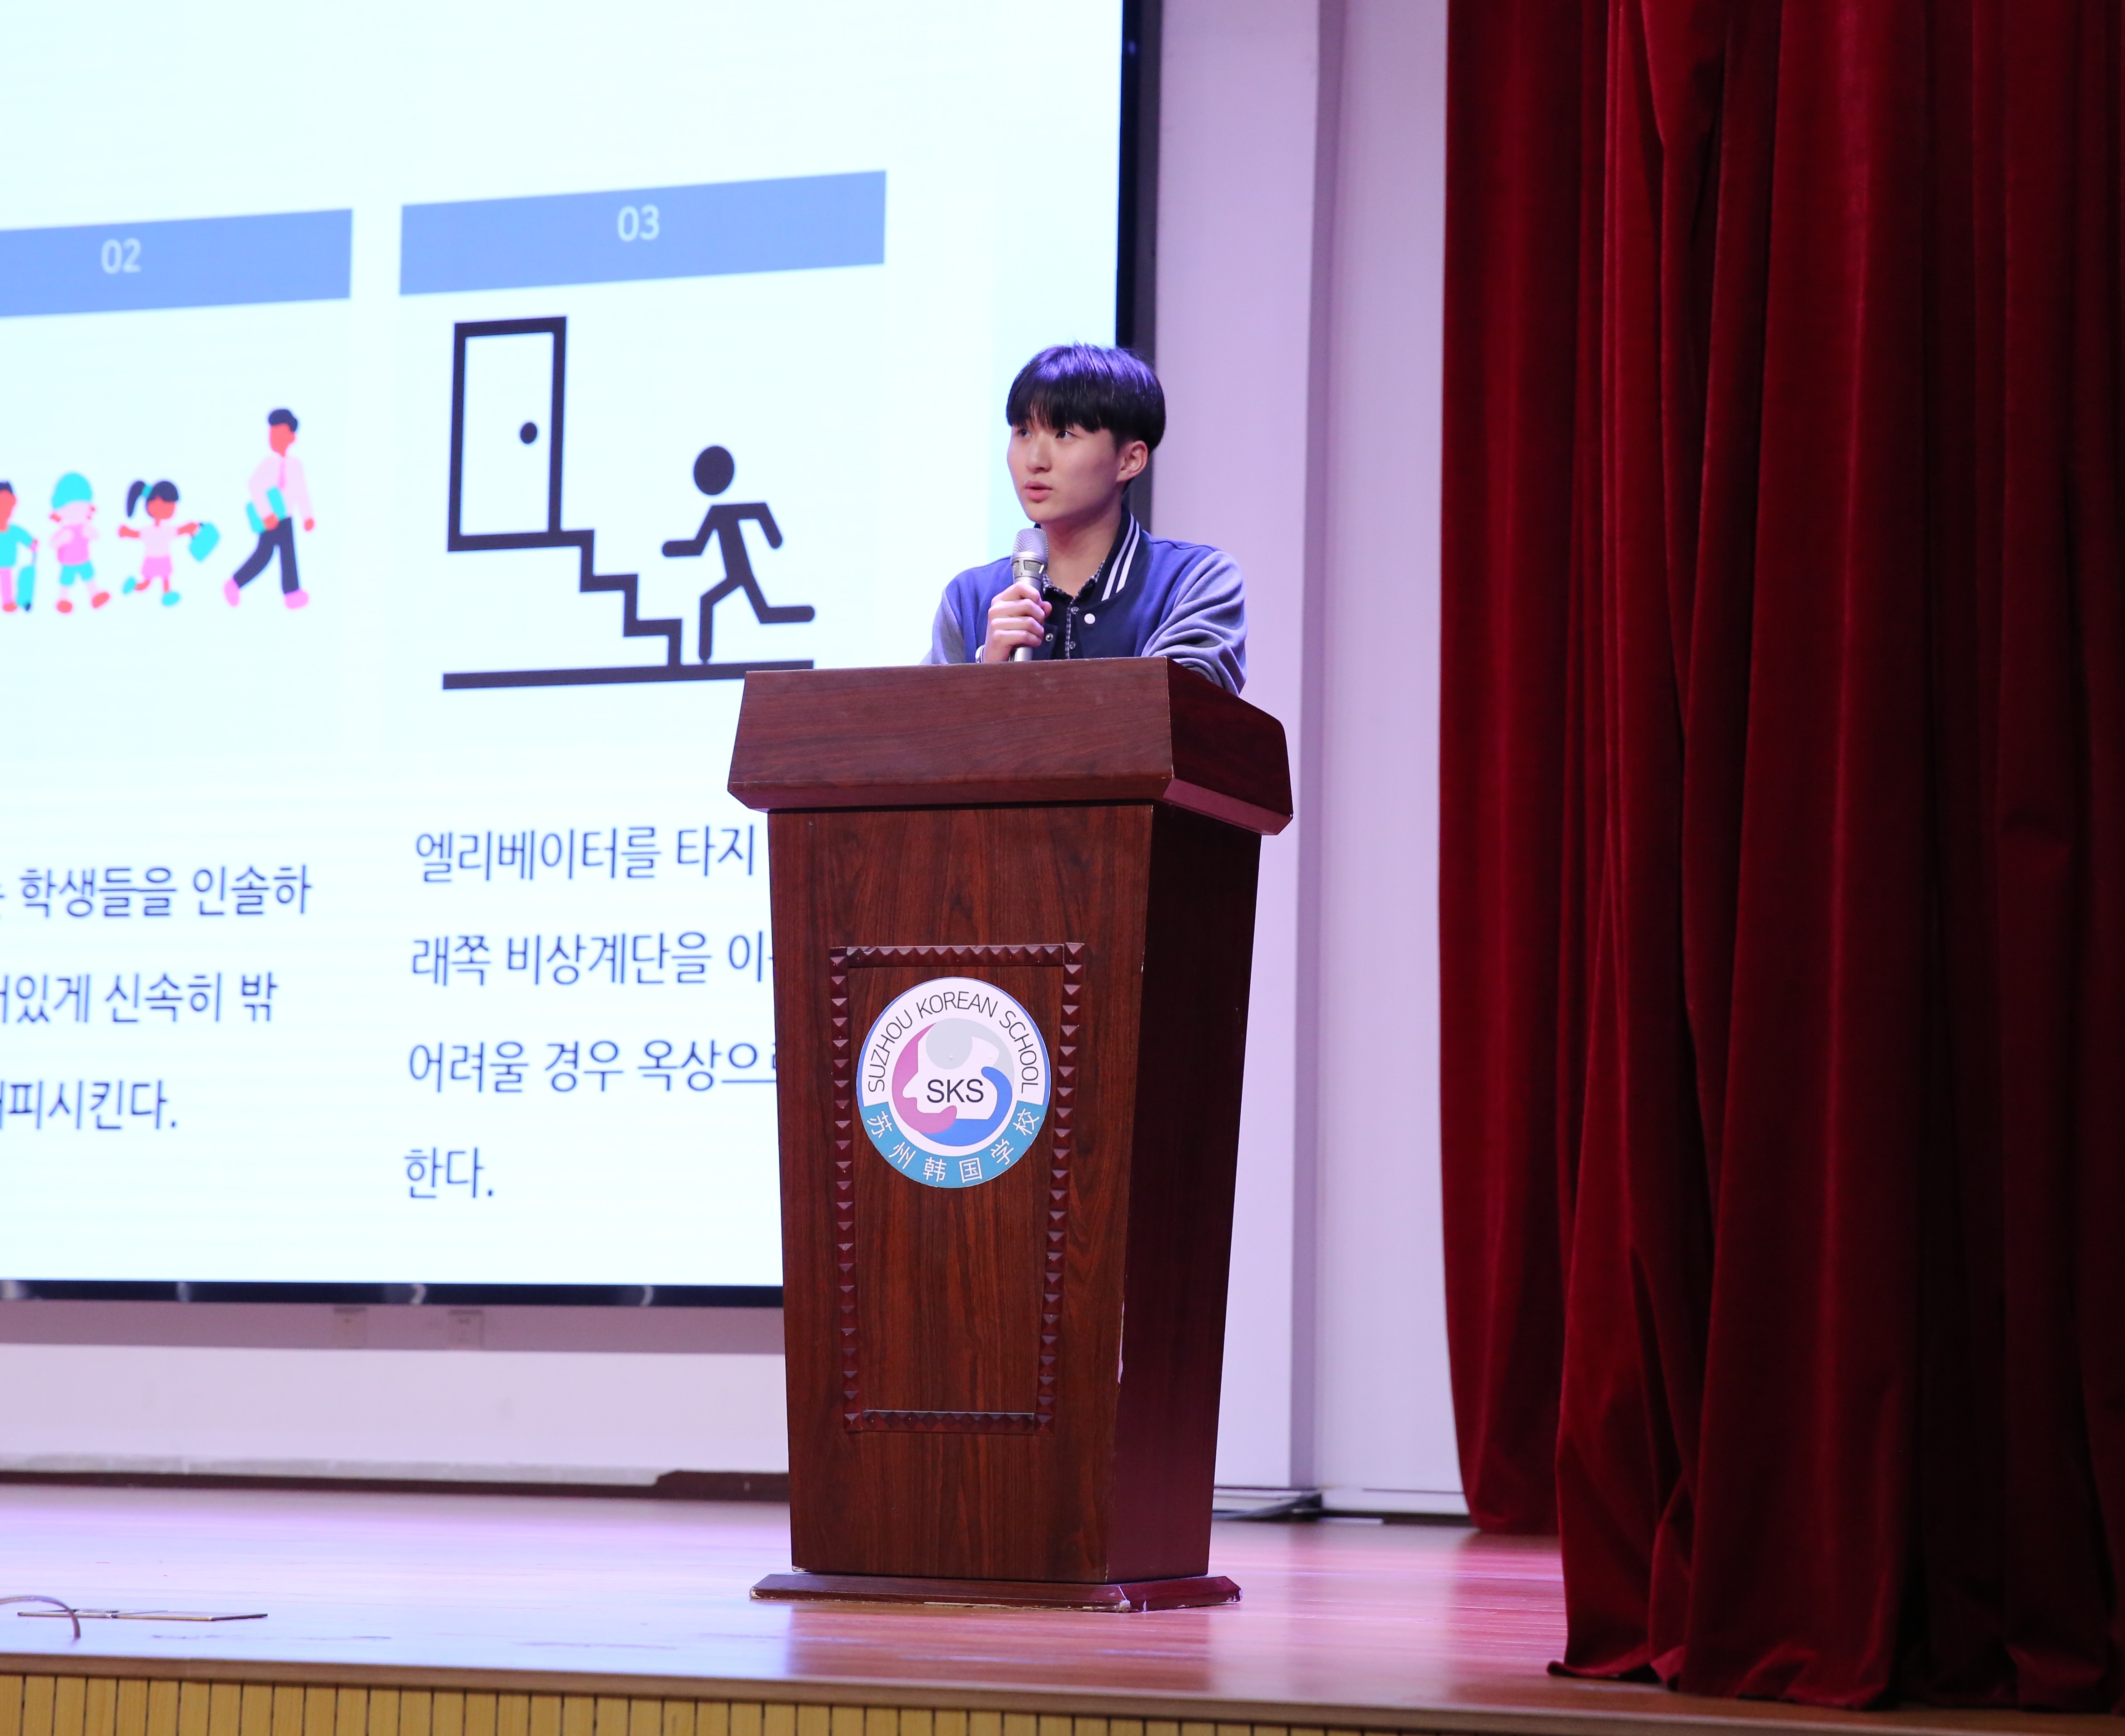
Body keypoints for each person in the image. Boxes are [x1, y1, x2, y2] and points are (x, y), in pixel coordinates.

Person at [924, 343, 1245, 693]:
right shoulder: (969, 598)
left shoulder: (1192, 582)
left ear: (1130, 461)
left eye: (1064, 434)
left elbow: (1180, 710)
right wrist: (986, 669)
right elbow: (926, 724)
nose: (1035, 460)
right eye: (1023, 432)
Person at [661, 444, 814, 663]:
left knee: (725, 604)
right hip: (737, 573)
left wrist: (773, 538)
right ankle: (704, 657)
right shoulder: (716, 514)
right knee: (758, 610)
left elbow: (760, 512)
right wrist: (673, 549)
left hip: (740, 572)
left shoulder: (724, 511)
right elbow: (698, 545)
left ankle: (704, 655)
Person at [225, 408, 314, 609]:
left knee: (288, 554)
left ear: (293, 437)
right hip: (271, 518)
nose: (274, 440)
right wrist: (266, 513)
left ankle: (292, 593)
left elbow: (302, 492)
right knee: (263, 555)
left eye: (280, 435)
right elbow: (255, 486)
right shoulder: (269, 464)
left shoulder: (295, 465)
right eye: (272, 435)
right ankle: (235, 584)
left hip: (287, 517)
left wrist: (307, 516)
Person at [120, 479, 200, 606]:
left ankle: (166, 595)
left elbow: (137, 534)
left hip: (161, 560)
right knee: (150, 582)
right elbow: (179, 531)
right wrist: (127, 532)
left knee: (164, 579)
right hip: (155, 560)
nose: (173, 509)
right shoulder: (156, 531)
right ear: (157, 502)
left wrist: (127, 532)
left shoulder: (160, 531)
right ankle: (135, 586)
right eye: (171, 504)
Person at [48, 472, 107, 613]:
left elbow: (96, 536)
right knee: (66, 581)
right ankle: (63, 600)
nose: (76, 511)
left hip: (84, 559)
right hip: (68, 562)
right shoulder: (66, 532)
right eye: (70, 508)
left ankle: (95, 595)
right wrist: (62, 540)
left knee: (89, 577)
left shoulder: (84, 529)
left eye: (81, 507)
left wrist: (91, 533)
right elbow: (53, 544)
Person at [0, 482, 37, 613]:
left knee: (7, 580)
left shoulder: (12, 530)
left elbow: (21, 536)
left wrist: (31, 543)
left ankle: (10, 601)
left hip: (7, 563)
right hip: (7, 563)